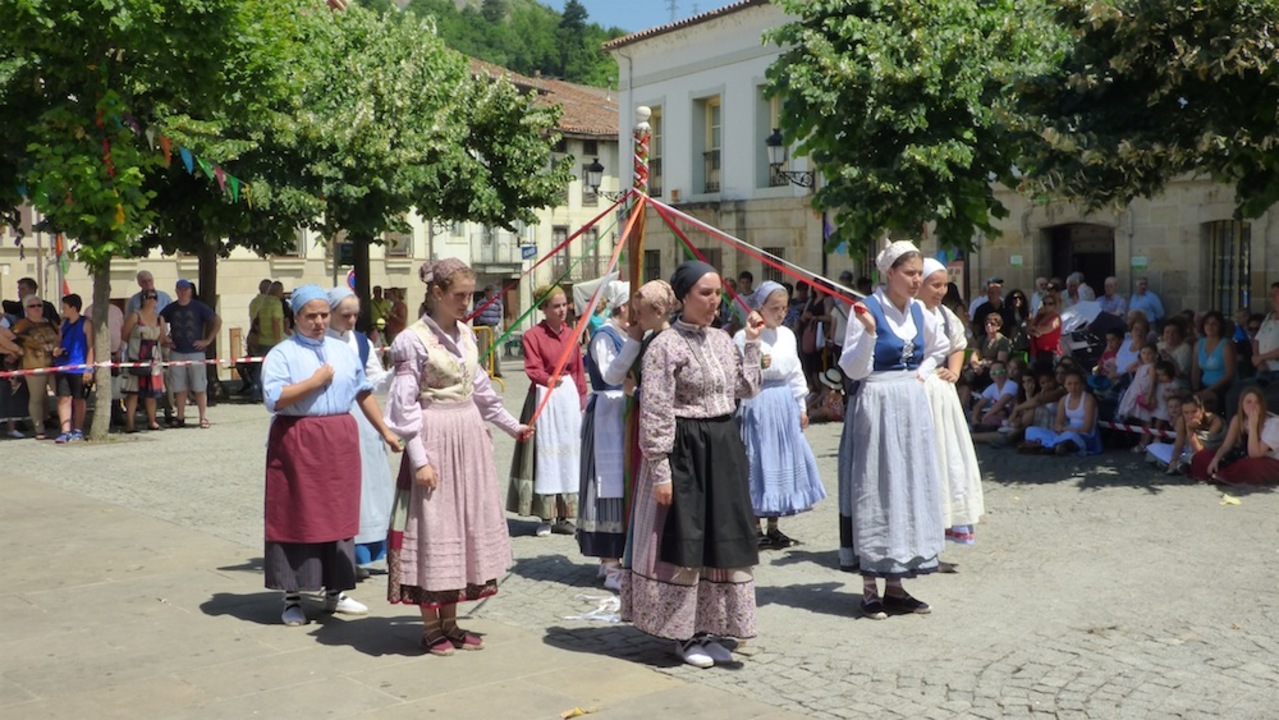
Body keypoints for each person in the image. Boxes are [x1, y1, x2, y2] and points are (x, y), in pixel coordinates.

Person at [382, 260, 531, 653]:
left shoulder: (466, 334)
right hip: (434, 437)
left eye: (470, 295)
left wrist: (513, 426)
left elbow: (481, 391)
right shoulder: (412, 340)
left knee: (462, 525)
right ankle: (431, 625)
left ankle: (451, 622)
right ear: (437, 293)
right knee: (434, 526)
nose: (467, 302)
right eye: (460, 295)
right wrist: (419, 460)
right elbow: (404, 408)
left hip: (468, 439)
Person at [620, 260, 763, 669]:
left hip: (722, 446)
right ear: (683, 297)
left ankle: (708, 628)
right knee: (686, 538)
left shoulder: (722, 339)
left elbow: (746, 388)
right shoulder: (664, 346)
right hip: (684, 449)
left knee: (720, 538)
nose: (714, 300)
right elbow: (655, 410)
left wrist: (752, 343)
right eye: (705, 293)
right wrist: (661, 470)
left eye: (717, 292)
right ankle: (682, 634)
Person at [260, 285, 401, 627]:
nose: (319, 322)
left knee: (338, 513)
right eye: (311, 316)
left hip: (338, 438)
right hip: (298, 438)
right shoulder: (282, 353)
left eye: (324, 315)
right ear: (296, 317)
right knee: (296, 514)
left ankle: (334, 591)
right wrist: (314, 381)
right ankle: (292, 596)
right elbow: (274, 398)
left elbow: (363, 392)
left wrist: (385, 431)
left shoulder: (342, 351)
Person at [837, 240, 943, 618]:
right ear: (890, 273)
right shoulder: (866, 309)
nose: (916, 281)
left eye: (919, 274)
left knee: (906, 485)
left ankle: (896, 585)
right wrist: (868, 334)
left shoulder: (919, 310)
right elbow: (853, 369)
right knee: (876, 485)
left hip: (910, 405)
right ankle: (870, 586)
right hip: (876, 403)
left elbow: (939, 347)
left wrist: (921, 375)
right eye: (909, 274)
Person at [735, 281, 824, 551]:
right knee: (758, 459)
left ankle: (774, 525)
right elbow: (739, 375)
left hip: (783, 402)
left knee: (781, 458)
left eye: (784, 308)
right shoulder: (744, 336)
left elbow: (795, 371)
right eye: (775, 308)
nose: (781, 313)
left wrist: (802, 406)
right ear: (760, 307)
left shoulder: (787, 335)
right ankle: (755, 526)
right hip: (758, 402)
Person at [507, 284, 586, 537]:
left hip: (567, 399)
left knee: (567, 453)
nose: (562, 310)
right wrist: (548, 380)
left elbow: (578, 370)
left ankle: (564, 514)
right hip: (544, 397)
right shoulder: (533, 335)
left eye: (564, 305)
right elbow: (533, 368)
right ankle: (545, 515)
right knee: (544, 454)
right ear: (544, 308)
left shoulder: (572, 335)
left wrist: (581, 398)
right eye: (556, 306)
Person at [327, 287, 394, 577]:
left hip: (364, 421)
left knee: (369, 486)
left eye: (355, 315)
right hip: (333, 417)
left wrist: (399, 372)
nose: (352, 320)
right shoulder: (319, 342)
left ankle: (363, 551)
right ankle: (339, 555)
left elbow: (373, 381)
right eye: (346, 315)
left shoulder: (361, 341)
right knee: (340, 487)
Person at [919, 258, 984, 549]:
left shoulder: (946, 316)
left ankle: (944, 521)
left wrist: (954, 373)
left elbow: (958, 345)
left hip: (940, 394)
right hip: (915, 391)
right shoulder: (908, 313)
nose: (941, 291)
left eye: (944, 285)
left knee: (945, 453)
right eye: (935, 285)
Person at [577, 280, 631, 591]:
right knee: (605, 485)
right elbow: (612, 375)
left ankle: (612, 559)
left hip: (623, 413)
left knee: (621, 485)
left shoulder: (624, 335)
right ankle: (610, 565)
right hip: (607, 416)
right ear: (623, 306)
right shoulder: (604, 336)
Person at [160, 279, 221, 429]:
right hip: (177, 352)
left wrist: (208, 340)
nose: (183, 292)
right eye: (180, 289)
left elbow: (217, 320)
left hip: (196, 353)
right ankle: (180, 417)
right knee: (179, 387)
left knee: (200, 386)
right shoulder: (171, 308)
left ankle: (203, 417)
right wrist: (164, 338)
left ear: (190, 291)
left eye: (185, 289)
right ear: (176, 291)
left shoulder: (199, 307)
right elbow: (159, 319)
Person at [1188, 385, 1279, 485]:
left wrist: (1253, 427)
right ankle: (1220, 474)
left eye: (1257, 402)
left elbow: (1255, 455)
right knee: (1201, 456)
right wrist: (1216, 459)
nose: (1252, 406)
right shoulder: (1238, 420)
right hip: (1243, 457)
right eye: (1248, 402)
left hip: (1269, 463)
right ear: (1242, 404)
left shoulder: (1273, 423)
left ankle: (1222, 476)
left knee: (1247, 465)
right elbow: (1226, 446)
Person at [1022, 368, 1102, 455]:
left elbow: (1087, 428)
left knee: (1070, 436)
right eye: (1069, 384)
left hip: (1084, 436)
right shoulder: (1064, 400)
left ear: (1082, 385)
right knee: (1030, 430)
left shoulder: (1088, 399)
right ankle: (1055, 446)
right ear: (1065, 385)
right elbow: (1058, 424)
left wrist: (1066, 429)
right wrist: (1060, 429)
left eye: (1076, 384)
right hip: (1066, 433)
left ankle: (1049, 446)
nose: (1073, 387)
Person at [11, 294, 60, 439]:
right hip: (33, 366)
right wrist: (17, 350)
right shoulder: (21, 325)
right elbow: (10, 340)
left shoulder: (49, 322)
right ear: (26, 309)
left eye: (39, 305)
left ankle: (65, 424)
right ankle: (39, 429)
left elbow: (59, 337)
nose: (37, 309)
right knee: (36, 397)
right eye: (32, 306)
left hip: (53, 365)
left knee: (61, 394)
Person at [121, 290, 167, 433]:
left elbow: (162, 338)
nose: (151, 300)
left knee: (151, 393)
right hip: (136, 357)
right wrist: (136, 347)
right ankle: (130, 423)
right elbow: (125, 334)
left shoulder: (159, 319)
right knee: (133, 392)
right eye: (148, 298)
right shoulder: (135, 316)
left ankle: (152, 421)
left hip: (153, 358)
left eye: (154, 298)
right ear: (143, 300)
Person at [1148, 392, 1223, 474]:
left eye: (1194, 412)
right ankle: (1176, 465)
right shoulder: (1181, 420)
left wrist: (1190, 430)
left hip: (1209, 454)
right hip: (1187, 450)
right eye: (1186, 413)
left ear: (1201, 410)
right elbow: (1178, 445)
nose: (1190, 416)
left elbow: (1201, 452)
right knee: (1153, 447)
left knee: (1195, 459)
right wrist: (1174, 460)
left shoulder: (1214, 421)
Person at [53, 294, 94, 443]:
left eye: (64, 307)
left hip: (79, 368)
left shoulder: (86, 323)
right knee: (63, 398)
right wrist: (56, 350)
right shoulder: (63, 324)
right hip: (63, 366)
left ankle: (77, 429)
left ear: (73, 308)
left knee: (79, 399)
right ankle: (65, 431)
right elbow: (58, 342)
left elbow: (91, 347)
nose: (62, 310)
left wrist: (89, 368)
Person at [1191, 311, 1237, 402]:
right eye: (1207, 323)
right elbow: (1195, 370)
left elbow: (1229, 374)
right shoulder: (1199, 344)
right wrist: (1195, 389)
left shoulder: (1226, 345)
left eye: (1214, 324)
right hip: (1203, 386)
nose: (1210, 326)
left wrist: (1208, 390)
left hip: (1222, 388)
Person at [970, 360, 1019, 430]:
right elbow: (979, 405)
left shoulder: (1012, 385)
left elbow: (1000, 404)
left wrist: (985, 417)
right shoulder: (992, 387)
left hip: (1013, 415)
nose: (997, 375)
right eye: (994, 373)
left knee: (998, 414)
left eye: (1000, 372)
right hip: (998, 416)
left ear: (1006, 372)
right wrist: (974, 418)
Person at [473, 284, 505, 378]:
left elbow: (500, 314)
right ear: (485, 293)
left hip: (494, 327)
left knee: (496, 350)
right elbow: (477, 315)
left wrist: (498, 326)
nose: (490, 293)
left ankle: (496, 370)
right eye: (488, 291)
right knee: (483, 350)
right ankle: (483, 371)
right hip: (484, 327)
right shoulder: (480, 303)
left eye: (491, 291)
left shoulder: (497, 303)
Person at [1252, 282, 1279, 383]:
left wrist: (1261, 357)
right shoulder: (1269, 317)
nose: (1273, 298)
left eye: (1277, 294)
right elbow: (1257, 339)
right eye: (1272, 295)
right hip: (1264, 369)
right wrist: (1257, 358)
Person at [1027, 292, 1063, 364]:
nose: (1047, 306)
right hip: (1035, 352)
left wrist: (1035, 330)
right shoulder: (1039, 316)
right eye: (1044, 303)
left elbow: (1045, 330)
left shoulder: (1056, 318)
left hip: (1049, 353)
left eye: (1050, 304)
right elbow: (1028, 329)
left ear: (1055, 305)